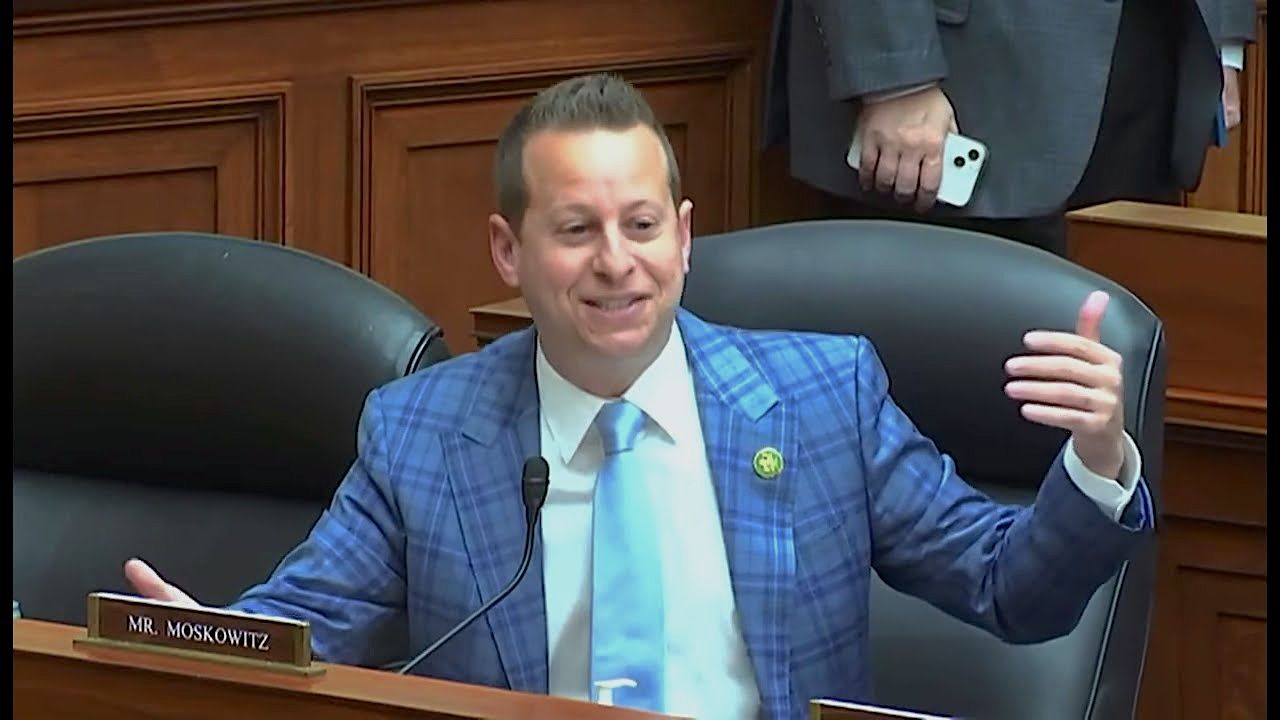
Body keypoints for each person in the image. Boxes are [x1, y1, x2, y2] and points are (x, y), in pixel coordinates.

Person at [125, 73, 1153, 720]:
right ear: (509, 251)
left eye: (643, 225)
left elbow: (1012, 590)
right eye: (575, 230)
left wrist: (1095, 459)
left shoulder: (817, 396)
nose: (617, 265)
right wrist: (203, 641)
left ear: (685, 234)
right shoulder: (424, 430)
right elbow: (302, 628)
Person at [763, 0, 1258, 255]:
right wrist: (893, 74)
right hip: (961, 85)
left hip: (1149, 76)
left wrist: (1220, 38)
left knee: (1101, 415)